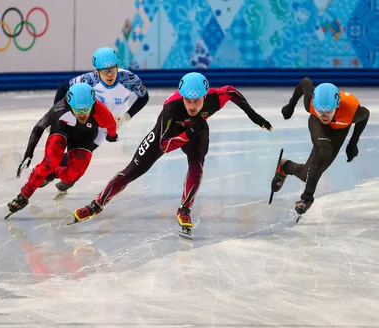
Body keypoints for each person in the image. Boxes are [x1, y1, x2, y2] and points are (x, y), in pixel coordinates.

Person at [67, 72, 273, 237]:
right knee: (131, 171)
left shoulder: (214, 98)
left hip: (197, 132)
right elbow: (165, 145)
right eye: (188, 101)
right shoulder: (171, 109)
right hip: (166, 135)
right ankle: (96, 205)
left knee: (196, 164)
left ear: (205, 95)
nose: (192, 106)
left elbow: (231, 92)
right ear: (182, 97)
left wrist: (255, 117)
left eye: (197, 101)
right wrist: (189, 132)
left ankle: (184, 209)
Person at [6, 82, 117, 218]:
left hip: (85, 136)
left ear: (93, 105)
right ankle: (23, 195)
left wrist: (112, 136)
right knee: (50, 162)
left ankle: (53, 174)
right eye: (78, 110)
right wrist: (29, 153)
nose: (82, 114)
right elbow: (39, 127)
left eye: (86, 110)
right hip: (61, 129)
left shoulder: (102, 112)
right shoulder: (60, 108)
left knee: (71, 176)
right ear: (70, 105)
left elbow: (112, 126)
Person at [51, 47, 149, 194]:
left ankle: (57, 175)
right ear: (97, 72)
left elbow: (144, 97)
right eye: (104, 71)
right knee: (73, 150)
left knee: (82, 153)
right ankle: (60, 175)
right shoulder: (90, 79)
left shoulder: (129, 79)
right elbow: (64, 87)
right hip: (90, 116)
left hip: (111, 123)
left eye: (112, 69)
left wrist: (126, 117)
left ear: (117, 67)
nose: (109, 74)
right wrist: (56, 115)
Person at [271, 77, 370, 216]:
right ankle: (307, 199)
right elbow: (305, 82)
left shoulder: (353, 111)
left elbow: (366, 116)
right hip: (317, 125)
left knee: (309, 174)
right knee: (324, 150)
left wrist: (353, 142)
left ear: (337, 106)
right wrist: (290, 105)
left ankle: (285, 167)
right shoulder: (310, 103)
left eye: (328, 112)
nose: (324, 116)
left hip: (339, 130)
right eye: (320, 111)